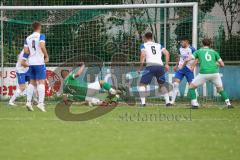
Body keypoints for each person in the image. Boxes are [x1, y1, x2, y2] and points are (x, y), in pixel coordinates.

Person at [186, 38, 232, 109]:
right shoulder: (214, 52)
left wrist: (186, 60)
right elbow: (222, 64)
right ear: (210, 44)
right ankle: (228, 104)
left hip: (203, 73)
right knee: (220, 89)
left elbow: (189, 58)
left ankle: (195, 104)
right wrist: (216, 64)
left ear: (202, 44)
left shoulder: (199, 51)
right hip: (215, 73)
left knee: (191, 87)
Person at [21, 22, 49, 112]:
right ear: (39, 27)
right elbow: (42, 45)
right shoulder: (41, 35)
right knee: (41, 82)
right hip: (39, 62)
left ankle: (28, 102)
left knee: (32, 82)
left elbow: (26, 51)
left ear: (33, 28)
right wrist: (46, 55)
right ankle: (41, 104)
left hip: (31, 63)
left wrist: (24, 60)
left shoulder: (28, 38)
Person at [138, 32, 171, 106]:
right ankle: (168, 102)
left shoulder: (144, 45)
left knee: (142, 84)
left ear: (145, 38)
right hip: (160, 66)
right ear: (152, 38)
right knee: (162, 85)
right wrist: (167, 64)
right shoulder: (159, 45)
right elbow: (167, 53)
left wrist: (140, 67)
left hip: (150, 66)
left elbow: (143, 54)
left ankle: (143, 103)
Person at [170, 37, 197, 105]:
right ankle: (172, 101)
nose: (181, 43)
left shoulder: (192, 49)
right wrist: (176, 65)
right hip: (181, 68)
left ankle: (194, 101)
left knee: (192, 85)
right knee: (175, 84)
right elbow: (179, 57)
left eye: (182, 42)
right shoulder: (180, 48)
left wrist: (193, 66)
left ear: (186, 41)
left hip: (188, 69)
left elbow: (197, 58)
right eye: (181, 42)